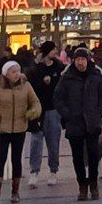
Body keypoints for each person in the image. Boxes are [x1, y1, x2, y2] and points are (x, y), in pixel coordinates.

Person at [0, 59, 43, 204]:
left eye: (18, 71)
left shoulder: (26, 86)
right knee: (1, 158)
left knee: (16, 160)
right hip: (3, 129)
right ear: (6, 74)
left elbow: (35, 102)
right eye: (13, 71)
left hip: (19, 128)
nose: (17, 74)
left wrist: (33, 112)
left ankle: (15, 192)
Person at [53, 46, 102, 200]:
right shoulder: (67, 77)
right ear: (73, 61)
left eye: (83, 59)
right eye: (78, 59)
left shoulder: (95, 75)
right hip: (75, 123)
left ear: (87, 60)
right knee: (77, 157)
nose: (80, 63)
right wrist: (68, 114)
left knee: (93, 155)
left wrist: (98, 112)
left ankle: (93, 184)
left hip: (92, 122)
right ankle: (82, 185)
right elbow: (58, 98)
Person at [25, 41, 66, 182]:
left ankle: (53, 171)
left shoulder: (59, 68)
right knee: (36, 140)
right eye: (53, 50)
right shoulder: (36, 69)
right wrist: (43, 82)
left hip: (53, 109)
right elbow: (31, 86)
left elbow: (62, 87)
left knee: (53, 141)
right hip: (38, 109)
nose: (55, 52)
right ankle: (34, 171)